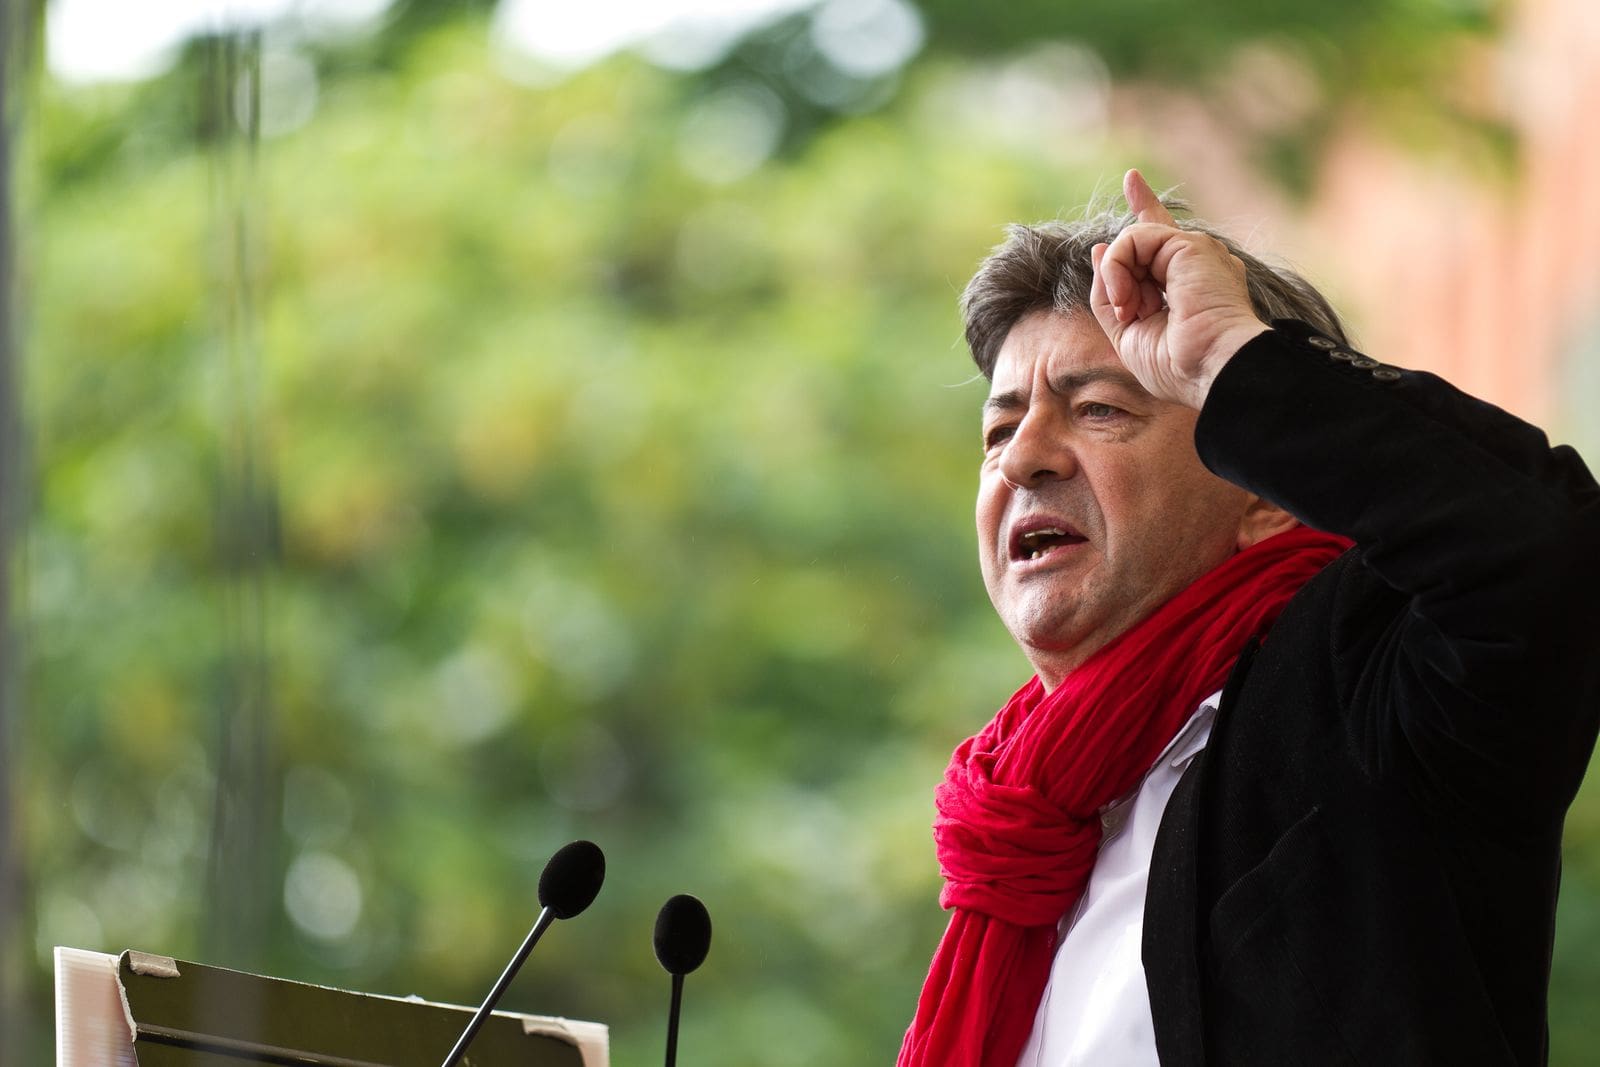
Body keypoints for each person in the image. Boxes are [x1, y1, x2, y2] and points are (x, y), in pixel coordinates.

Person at [896, 169, 1600, 1067]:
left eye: (1099, 408)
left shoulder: (1371, 692)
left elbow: (1542, 546)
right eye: (997, 432)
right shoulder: (1022, 837)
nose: (1023, 459)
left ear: (1268, 491)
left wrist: (1236, 352)